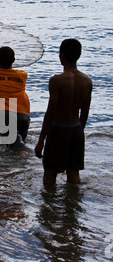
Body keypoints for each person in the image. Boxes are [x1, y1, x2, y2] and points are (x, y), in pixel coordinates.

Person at [35, 38, 93, 188]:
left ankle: (49, 210)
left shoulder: (57, 81)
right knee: (74, 176)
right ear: (78, 55)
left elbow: (51, 113)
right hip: (76, 130)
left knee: (50, 175)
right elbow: (85, 113)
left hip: (58, 130)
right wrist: (79, 133)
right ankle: (72, 209)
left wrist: (41, 140)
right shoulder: (87, 81)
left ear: (62, 55)